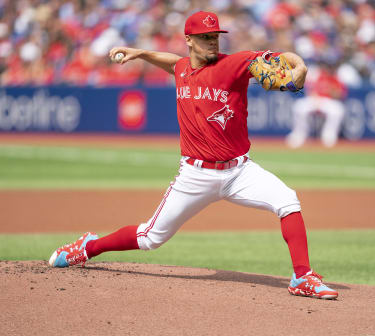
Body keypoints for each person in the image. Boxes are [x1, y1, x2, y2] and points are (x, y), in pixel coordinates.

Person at [48, 11, 338, 300]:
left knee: (287, 200)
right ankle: (87, 248)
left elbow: (276, 60)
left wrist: (298, 66)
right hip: (195, 175)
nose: (213, 42)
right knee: (150, 237)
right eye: (205, 38)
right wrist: (142, 53)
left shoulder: (234, 64)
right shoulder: (183, 69)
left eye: (215, 37)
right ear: (189, 40)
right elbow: (175, 63)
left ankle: (302, 276)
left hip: (239, 171)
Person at [286, 61, 347, 148]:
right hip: (315, 99)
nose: (328, 69)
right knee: (299, 107)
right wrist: (315, 97)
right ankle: (299, 134)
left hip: (328, 101)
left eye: (330, 67)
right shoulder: (316, 75)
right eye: (327, 67)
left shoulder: (337, 78)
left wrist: (331, 91)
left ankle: (328, 136)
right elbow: (310, 89)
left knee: (337, 110)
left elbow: (340, 95)